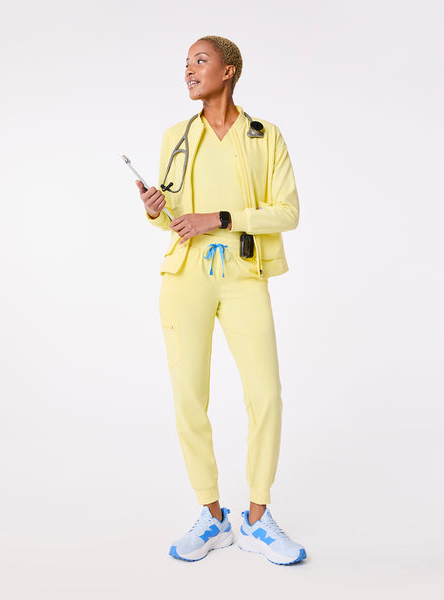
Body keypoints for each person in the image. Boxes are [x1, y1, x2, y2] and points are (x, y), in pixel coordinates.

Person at [136, 35, 306, 565]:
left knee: (266, 395)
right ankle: (212, 515)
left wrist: (222, 218)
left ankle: (257, 517)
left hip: (243, 272)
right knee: (189, 396)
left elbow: (287, 212)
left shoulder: (265, 136)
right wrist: (154, 209)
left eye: (200, 60)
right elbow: (172, 218)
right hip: (186, 274)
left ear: (228, 70)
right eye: (186, 63)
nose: (189, 69)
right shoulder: (176, 137)